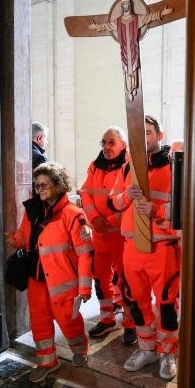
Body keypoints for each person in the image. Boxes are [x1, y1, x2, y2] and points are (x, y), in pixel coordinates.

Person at [5, 162, 94, 382]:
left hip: (63, 281)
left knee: (68, 320)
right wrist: (16, 239)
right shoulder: (33, 211)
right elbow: (24, 234)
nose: (40, 189)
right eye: (37, 186)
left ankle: (80, 349)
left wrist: (84, 286)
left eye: (45, 185)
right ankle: (47, 361)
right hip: (36, 279)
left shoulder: (73, 215)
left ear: (58, 185)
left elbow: (85, 253)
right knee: (39, 321)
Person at [108, 115, 180, 380]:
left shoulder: (175, 167)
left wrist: (157, 210)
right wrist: (126, 196)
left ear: (159, 136)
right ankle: (147, 347)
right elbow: (112, 202)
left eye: (148, 133)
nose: (143, 138)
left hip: (163, 247)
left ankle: (167, 352)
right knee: (136, 302)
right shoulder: (127, 168)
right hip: (132, 247)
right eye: (139, 134)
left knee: (167, 303)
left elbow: (186, 208)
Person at [79, 126, 136, 344]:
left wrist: (109, 221)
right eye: (103, 142)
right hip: (100, 236)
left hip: (122, 237)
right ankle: (107, 318)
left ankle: (130, 323)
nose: (106, 147)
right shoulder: (95, 166)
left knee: (126, 281)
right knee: (100, 279)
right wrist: (94, 219)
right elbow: (85, 193)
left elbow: (130, 201)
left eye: (111, 142)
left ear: (123, 144)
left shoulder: (131, 166)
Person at [88, 0, 172, 100]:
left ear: (130, 5)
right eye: (124, 4)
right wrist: (97, 26)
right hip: (124, 50)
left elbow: (148, 17)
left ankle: (133, 87)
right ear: (122, 7)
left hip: (133, 49)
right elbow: (108, 25)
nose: (126, 6)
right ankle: (129, 88)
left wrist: (161, 13)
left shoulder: (137, 19)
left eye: (127, 4)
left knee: (134, 66)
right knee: (126, 68)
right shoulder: (118, 21)